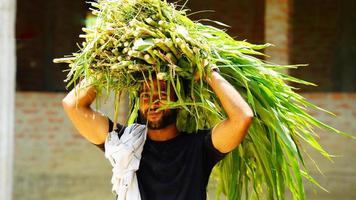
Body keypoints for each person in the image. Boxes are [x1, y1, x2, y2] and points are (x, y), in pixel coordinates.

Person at [62, 67, 254, 200]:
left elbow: (242, 117)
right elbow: (73, 105)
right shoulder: (124, 143)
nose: (152, 102)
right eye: (146, 96)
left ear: (179, 101)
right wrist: (105, 69)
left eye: (161, 95)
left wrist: (208, 72)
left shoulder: (199, 147)